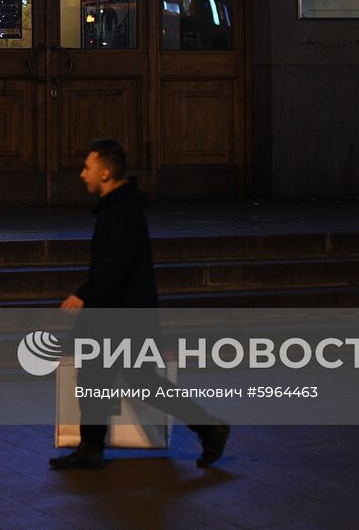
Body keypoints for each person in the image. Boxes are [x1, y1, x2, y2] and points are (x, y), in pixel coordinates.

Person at [48, 138, 230, 470]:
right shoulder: (120, 208)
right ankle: (92, 446)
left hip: (121, 317)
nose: (81, 174)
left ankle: (209, 428)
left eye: (87, 167)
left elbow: (115, 264)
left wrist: (86, 293)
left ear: (105, 173)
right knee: (103, 378)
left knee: (131, 382)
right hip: (120, 314)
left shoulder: (120, 211)